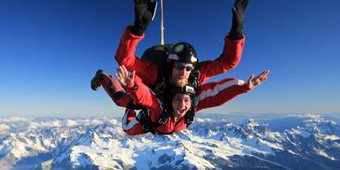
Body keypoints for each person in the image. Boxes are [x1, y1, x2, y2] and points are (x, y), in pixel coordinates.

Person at [92, 0, 249, 103]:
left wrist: (237, 34)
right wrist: (137, 29)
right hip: (151, 92)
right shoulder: (155, 73)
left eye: (188, 68)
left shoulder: (196, 74)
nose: (184, 72)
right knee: (125, 102)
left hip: (171, 106)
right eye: (180, 66)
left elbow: (228, 62)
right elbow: (125, 60)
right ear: (171, 65)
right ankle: (104, 78)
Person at [114, 65, 269, 135]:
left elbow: (217, 96)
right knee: (126, 118)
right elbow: (147, 98)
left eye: (186, 100)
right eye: (178, 100)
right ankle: (104, 79)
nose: (182, 105)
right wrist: (132, 85)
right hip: (146, 123)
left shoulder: (193, 107)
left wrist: (244, 87)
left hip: (161, 127)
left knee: (131, 101)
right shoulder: (160, 109)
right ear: (170, 101)